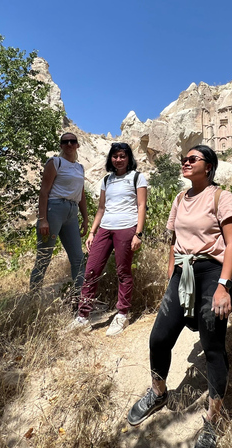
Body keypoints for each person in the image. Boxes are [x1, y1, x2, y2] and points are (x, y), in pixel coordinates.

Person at [126, 145, 232, 448]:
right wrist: (170, 273)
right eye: (184, 159)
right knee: (159, 337)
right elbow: (173, 240)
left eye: (193, 159)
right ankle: (158, 390)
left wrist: (223, 286)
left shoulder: (221, 197)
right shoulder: (180, 198)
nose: (186, 163)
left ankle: (214, 419)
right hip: (182, 274)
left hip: (211, 274)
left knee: (213, 346)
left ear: (209, 166)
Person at [70, 142, 147, 336]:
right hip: (105, 228)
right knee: (91, 270)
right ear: (110, 159)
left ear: (129, 158)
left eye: (122, 156)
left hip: (126, 227)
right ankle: (83, 317)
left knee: (123, 272)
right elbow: (101, 208)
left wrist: (138, 233)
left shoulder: (137, 177)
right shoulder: (107, 180)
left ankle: (122, 314)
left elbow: (141, 206)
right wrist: (92, 232)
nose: (118, 160)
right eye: (115, 156)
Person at [30, 132, 88, 292]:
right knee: (44, 257)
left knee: (78, 258)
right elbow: (44, 192)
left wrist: (85, 218)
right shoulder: (55, 162)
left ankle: (78, 300)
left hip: (72, 212)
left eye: (72, 141)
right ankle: (32, 298)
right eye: (65, 142)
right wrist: (43, 219)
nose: (69, 144)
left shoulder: (80, 168)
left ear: (77, 145)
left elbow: (81, 194)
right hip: (54, 210)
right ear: (61, 145)